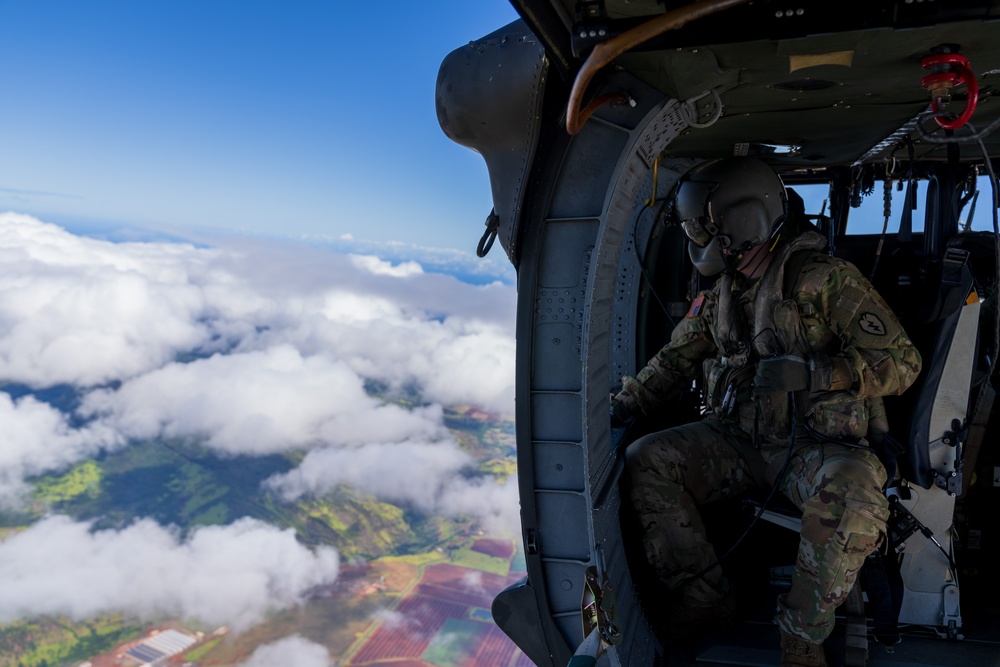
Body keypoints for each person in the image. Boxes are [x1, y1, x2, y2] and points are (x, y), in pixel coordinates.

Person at [610, 157, 922, 667]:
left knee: (854, 497)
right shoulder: (724, 298)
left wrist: (818, 374)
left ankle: (801, 639)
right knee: (648, 458)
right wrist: (626, 404)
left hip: (818, 450)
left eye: (720, 238)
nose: (717, 253)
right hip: (741, 442)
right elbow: (674, 360)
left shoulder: (825, 283)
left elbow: (902, 362)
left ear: (743, 224)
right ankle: (705, 603)